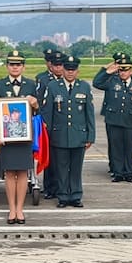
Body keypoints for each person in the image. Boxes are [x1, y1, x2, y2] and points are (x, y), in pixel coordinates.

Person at [40, 55, 95, 207]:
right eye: (67, 69)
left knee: (76, 168)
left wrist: (91, 135)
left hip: (79, 134)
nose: (70, 72)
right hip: (59, 135)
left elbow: (89, 113)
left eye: (73, 69)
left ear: (77, 71)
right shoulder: (53, 86)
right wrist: (48, 136)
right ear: (62, 69)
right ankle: (63, 196)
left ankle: (76, 195)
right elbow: (48, 113)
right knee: (61, 168)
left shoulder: (84, 87)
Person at [0, 50, 39, 223]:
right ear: (7, 66)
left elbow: (39, 110)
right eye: (11, 64)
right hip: (7, 137)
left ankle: (20, 208)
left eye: (18, 64)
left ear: (23, 67)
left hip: (24, 136)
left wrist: (35, 104)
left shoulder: (31, 84)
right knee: (9, 173)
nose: (15, 67)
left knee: (22, 173)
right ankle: (11, 209)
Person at [92, 52, 132, 183]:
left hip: (130, 121)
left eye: (125, 70)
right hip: (114, 120)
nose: (123, 73)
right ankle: (117, 173)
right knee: (116, 148)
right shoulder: (112, 81)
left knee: (128, 149)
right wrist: (107, 71)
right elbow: (96, 82)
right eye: (120, 70)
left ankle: (128, 173)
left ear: (130, 70)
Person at [35, 50, 65, 199]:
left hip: (63, 123)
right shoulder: (43, 80)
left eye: (61, 65)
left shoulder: (67, 80)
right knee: (50, 157)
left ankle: (62, 187)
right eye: (56, 65)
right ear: (50, 66)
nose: (59, 68)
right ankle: (49, 187)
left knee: (62, 159)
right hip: (48, 123)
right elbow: (39, 101)